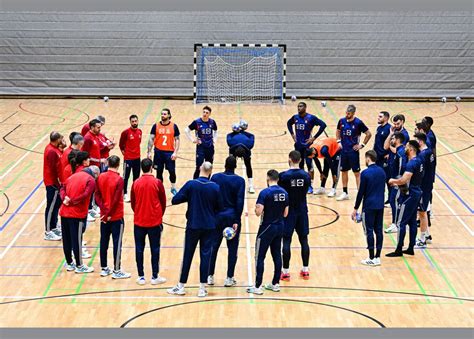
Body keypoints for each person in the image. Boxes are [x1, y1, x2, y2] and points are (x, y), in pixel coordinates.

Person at [167, 162, 223, 297]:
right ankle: (202, 288)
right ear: (211, 172)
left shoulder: (191, 184)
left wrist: (189, 197)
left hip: (193, 225)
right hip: (209, 226)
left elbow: (175, 200)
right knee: (205, 256)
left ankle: (181, 286)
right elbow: (219, 207)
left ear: (199, 169)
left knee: (188, 255)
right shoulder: (215, 187)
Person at [247, 169, 288, 295]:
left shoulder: (265, 193)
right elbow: (286, 213)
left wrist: (256, 209)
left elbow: (259, 212)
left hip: (266, 228)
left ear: (268, 178)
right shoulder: (284, 193)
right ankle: (276, 283)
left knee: (260, 256)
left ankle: (258, 286)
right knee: (276, 254)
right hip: (280, 226)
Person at [208, 156, 245, 287]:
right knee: (232, 250)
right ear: (235, 166)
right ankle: (229, 278)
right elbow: (240, 201)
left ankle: (210, 276)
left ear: (224, 164)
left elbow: (211, 197)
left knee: (213, 247)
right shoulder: (240, 181)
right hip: (232, 218)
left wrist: (211, 215)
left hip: (217, 217)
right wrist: (236, 220)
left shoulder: (216, 178)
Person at [131, 158, 167, 285]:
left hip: (139, 221)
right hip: (154, 222)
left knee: (139, 249)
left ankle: (141, 276)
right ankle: (154, 276)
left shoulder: (136, 182)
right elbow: (163, 201)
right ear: (151, 167)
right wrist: (159, 215)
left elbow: (133, 202)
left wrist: (139, 212)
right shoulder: (157, 182)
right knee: (155, 249)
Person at [386, 140, 424, 257]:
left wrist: (393, 181)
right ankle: (410, 247)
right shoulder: (419, 161)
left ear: (411, 149)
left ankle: (398, 249)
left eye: (407, 147)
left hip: (410, 195)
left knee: (401, 222)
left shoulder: (411, 164)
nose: (405, 149)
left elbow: (403, 180)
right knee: (412, 221)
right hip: (417, 193)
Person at [95, 155, 131, 279]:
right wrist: (109, 213)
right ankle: (116, 270)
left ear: (108, 164)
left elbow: (97, 196)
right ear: (118, 164)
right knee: (117, 243)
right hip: (115, 217)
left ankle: (104, 268)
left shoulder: (100, 177)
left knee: (103, 241)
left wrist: (104, 212)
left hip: (104, 217)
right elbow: (115, 200)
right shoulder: (119, 179)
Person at [59, 165, 100, 273]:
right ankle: (79, 265)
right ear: (95, 174)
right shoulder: (91, 180)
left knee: (66, 240)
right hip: (77, 214)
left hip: (64, 212)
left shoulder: (73, 176)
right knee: (77, 240)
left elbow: (62, 188)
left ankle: (69, 264)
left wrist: (65, 199)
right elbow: (85, 195)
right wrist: (72, 201)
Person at [278, 151, 311, 281]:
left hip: (288, 211)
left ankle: (285, 272)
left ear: (290, 159)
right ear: (300, 160)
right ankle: (306, 270)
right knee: (304, 240)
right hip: (302, 210)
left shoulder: (284, 176)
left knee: (286, 241)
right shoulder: (306, 176)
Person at [352, 150, 386, 266]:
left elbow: (361, 192)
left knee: (369, 231)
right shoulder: (382, 171)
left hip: (369, 206)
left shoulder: (365, 173)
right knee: (379, 230)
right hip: (380, 205)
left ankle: (371, 257)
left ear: (368, 159)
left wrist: (355, 208)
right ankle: (377, 257)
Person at [286, 102, 327, 193]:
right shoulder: (295, 117)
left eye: (300, 106)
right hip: (298, 146)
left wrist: (313, 138)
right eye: (298, 106)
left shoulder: (311, 118)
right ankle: (302, 184)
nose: (298, 108)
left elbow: (323, 125)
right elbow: (288, 123)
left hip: (307, 146)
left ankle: (310, 186)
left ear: (305, 107)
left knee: (310, 166)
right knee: (300, 166)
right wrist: (292, 134)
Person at [336, 104, 372, 201]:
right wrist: (338, 141)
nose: (347, 115)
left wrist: (362, 145)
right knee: (344, 171)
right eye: (346, 113)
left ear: (353, 113)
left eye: (349, 113)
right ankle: (345, 192)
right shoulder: (341, 121)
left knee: (356, 173)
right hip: (344, 151)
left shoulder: (358, 123)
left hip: (353, 152)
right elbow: (338, 131)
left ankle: (360, 193)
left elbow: (368, 134)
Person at [147, 108, 180, 196]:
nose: (163, 115)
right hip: (158, 152)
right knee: (159, 172)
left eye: (165, 114)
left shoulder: (174, 126)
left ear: (169, 115)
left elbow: (177, 139)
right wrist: (149, 151)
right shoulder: (156, 126)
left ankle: (173, 188)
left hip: (169, 153)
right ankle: (160, 189)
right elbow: (151, 139)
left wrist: (175, 152)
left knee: (172, 172)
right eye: (162, 114)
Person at [414, 133, 435, 248]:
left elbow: (421, 173)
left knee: (421, 213)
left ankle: (422, 239)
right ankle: (427, 235)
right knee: (424, 212)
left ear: (420, 142)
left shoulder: (423, 155)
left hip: (423, 187)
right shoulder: (430, 152)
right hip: (428, 186)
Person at [185, 106, 218, 179]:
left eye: (207, 113)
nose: (205, 114)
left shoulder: (212, 122)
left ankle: (207, 182)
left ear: (209, 114)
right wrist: (193, 140)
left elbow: (216, 131)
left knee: (209, 166)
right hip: (201, 148)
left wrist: (214, 139)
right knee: (198, 167)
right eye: (204, 112)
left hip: (210, 147)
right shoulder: (197, 122)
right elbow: (186, 130)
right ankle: (195, 182)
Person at [384, 132, 407, 234]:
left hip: (398, 183)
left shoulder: (401, 153)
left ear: (397, 140)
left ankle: (396, 224)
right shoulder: (397, 151)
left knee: (396, 202)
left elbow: (403, 168)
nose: (391, 140)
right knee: (393, 201)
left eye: (392, 138)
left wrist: (398, 181)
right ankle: (396, 223)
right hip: (395, 181)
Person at [43, 131, 64, 241]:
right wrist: (58, 183)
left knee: (56, 206)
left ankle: (53, 226)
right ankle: (48, 231)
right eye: (61, 138)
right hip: (52, 184)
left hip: (55, 183)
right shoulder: (51, 151)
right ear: (57, 140)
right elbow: (52, 169)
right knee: (51, 207)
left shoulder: (55, 149)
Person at [226, 120, 256, 193]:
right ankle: (250, 186)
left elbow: (230, 142)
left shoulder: (230, 135)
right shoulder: (249, 136)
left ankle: (251, 186)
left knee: (248, 166)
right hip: (239, 151)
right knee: (231, 165)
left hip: (242, 151)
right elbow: (250, 144)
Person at [120, 114, 142, 202]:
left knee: (136, 177)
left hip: (137, 158)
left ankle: (134, 193)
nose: (134, 123)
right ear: (130, 122)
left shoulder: (140, 131)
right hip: (128, 159)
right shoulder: (125, 132)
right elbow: (121, 145)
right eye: (132, 121)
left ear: (138, 121)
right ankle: (124, 194)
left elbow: (138, 142)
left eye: (135, 121)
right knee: (126, 177)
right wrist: (125, 155)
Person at [373, 111, 391, 194]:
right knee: (378, 178)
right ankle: (380, 196)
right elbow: (376, 142)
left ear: (386, 118)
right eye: (378, 116)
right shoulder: (379, 128)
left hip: (384, 159)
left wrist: (389, 153)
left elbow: (392, 142)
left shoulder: (389, 129)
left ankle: (390, 199)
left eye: (380, 117)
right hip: (377, 157)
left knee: (386, 178)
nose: (378, 118)